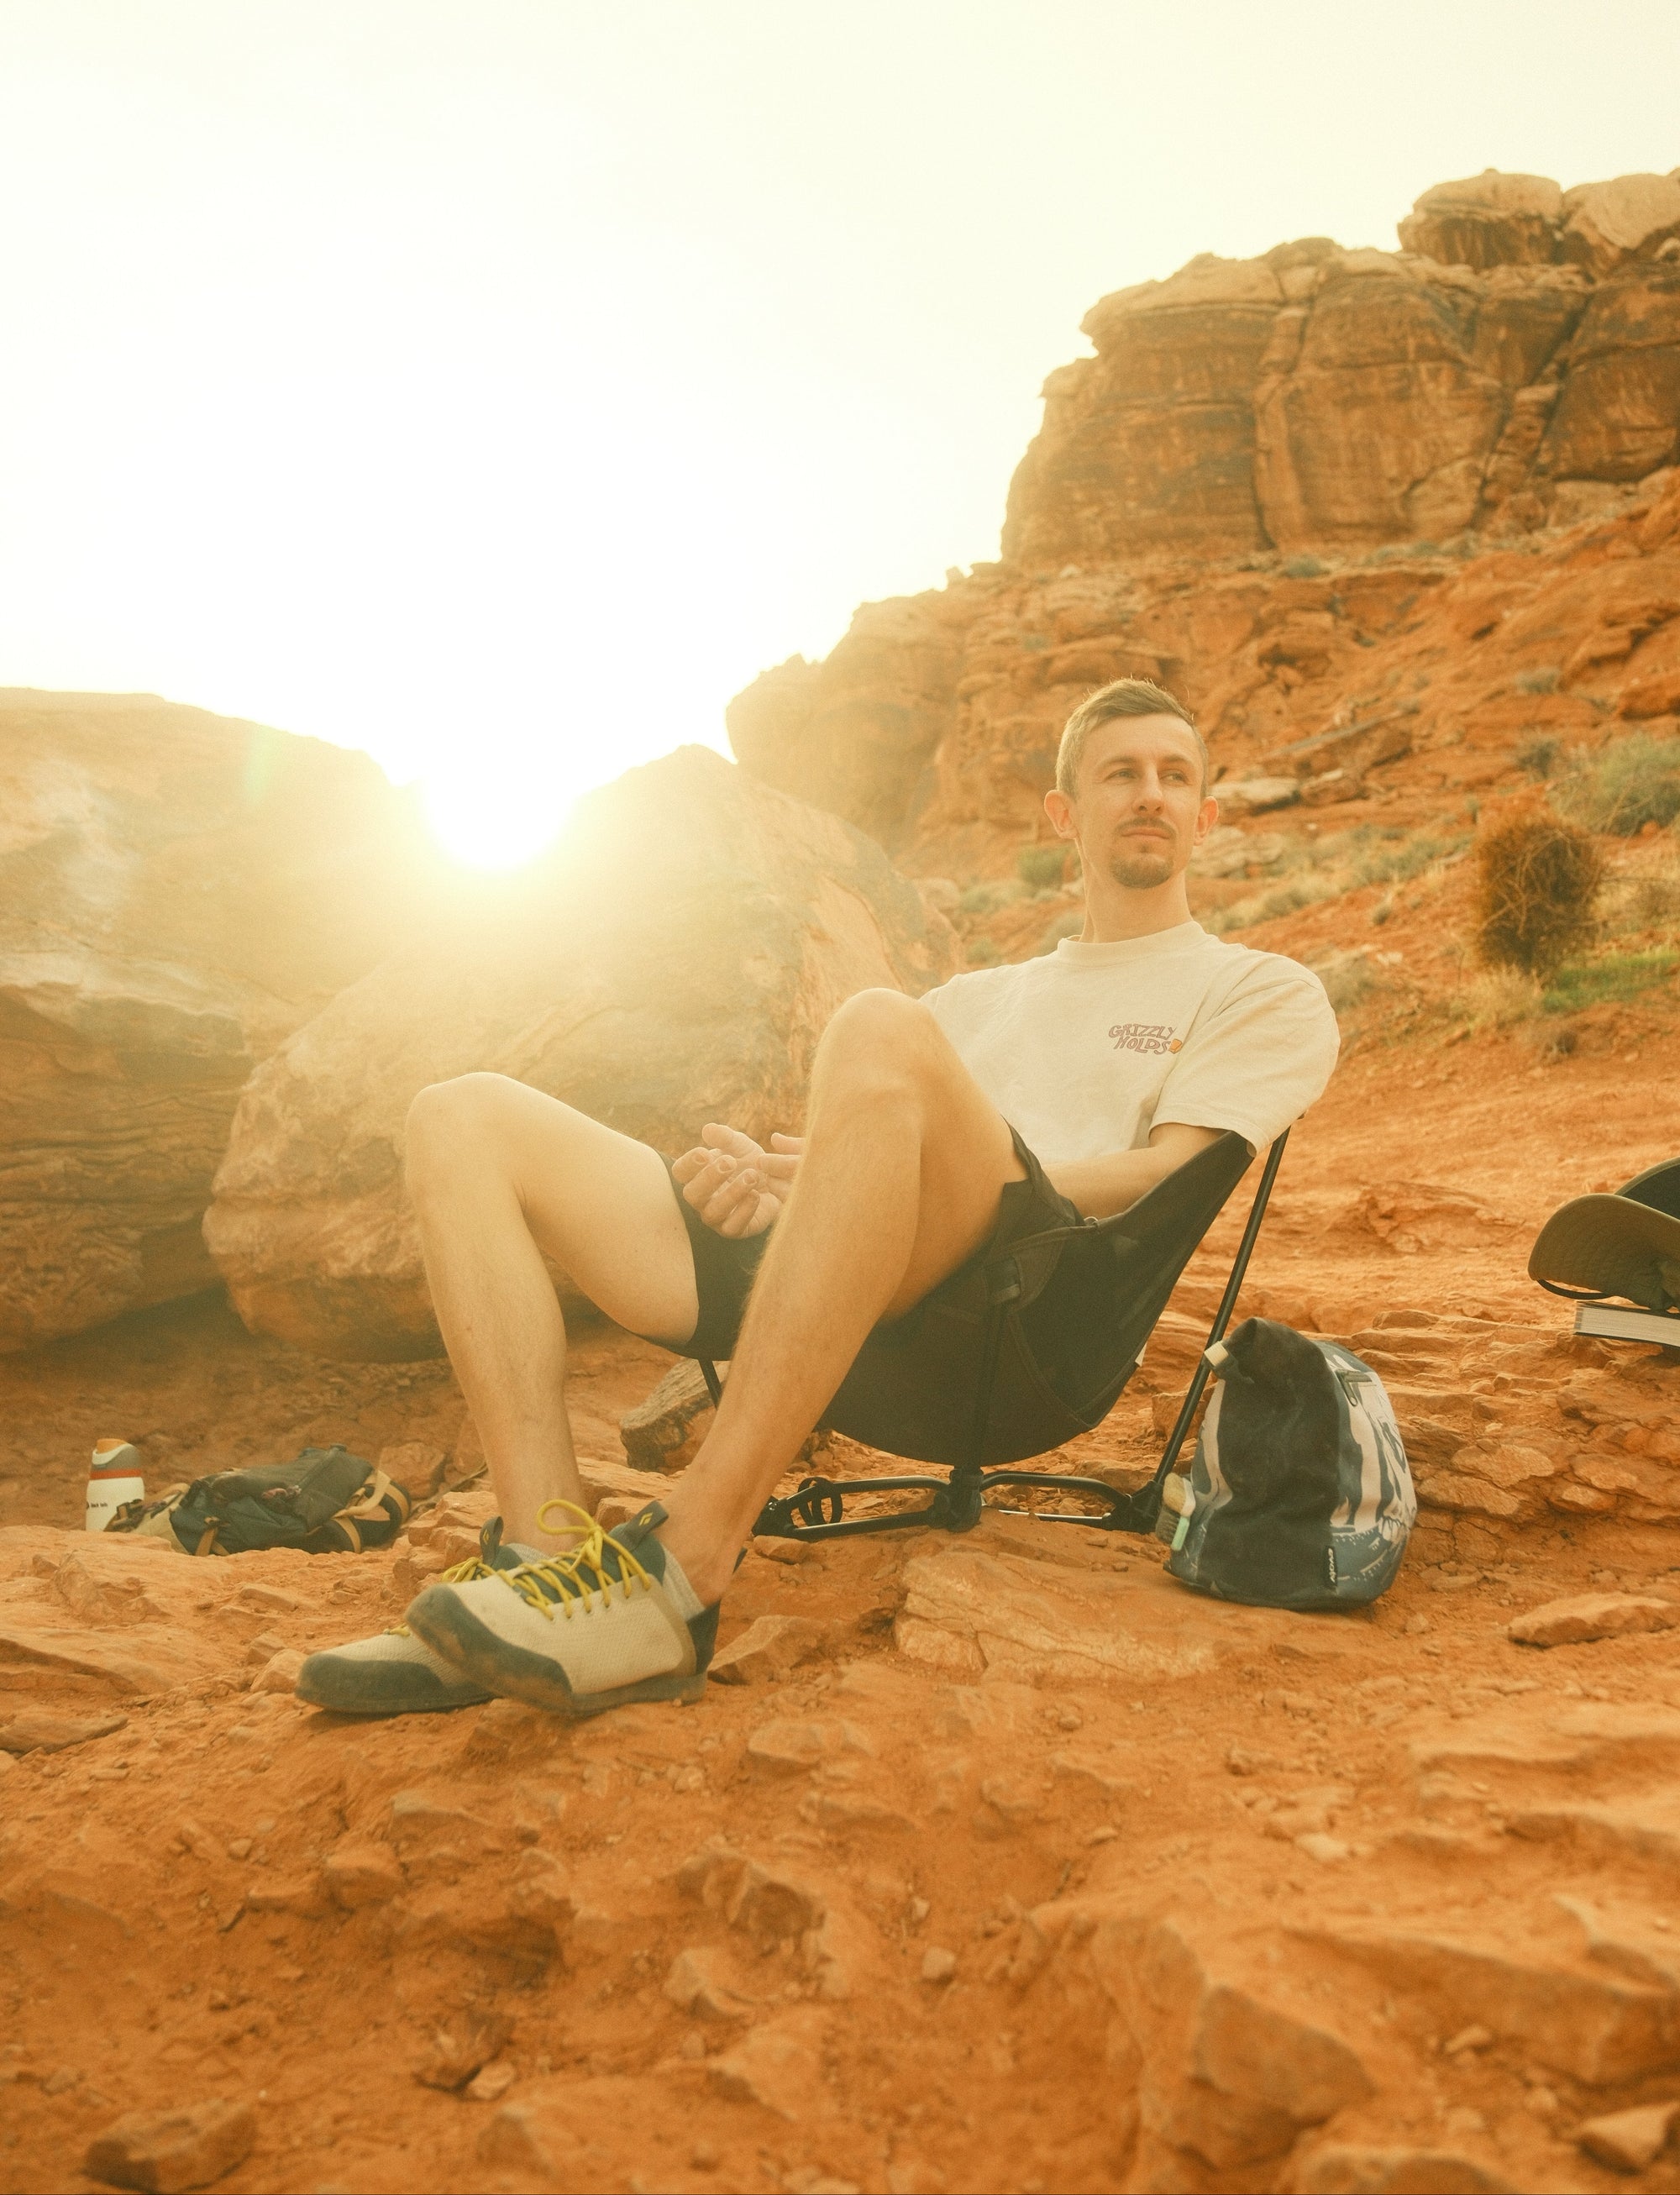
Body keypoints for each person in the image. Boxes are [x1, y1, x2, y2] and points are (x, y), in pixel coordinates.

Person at [297, 678, 1340, 1721]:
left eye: (1173, 776)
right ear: (1063, 815)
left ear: (1205, 815)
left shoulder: (1256, 989)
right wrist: (777, 1187)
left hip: (1029, 1329)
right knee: (460, 1115)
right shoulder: (973, 1004)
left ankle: (681, 1571)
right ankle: (542, 1560)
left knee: (877, 1024)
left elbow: (1170, 1173)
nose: (1149, 795)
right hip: (863, 1323)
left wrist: (885, 1174)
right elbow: (873, 1150)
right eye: (1120, 773)